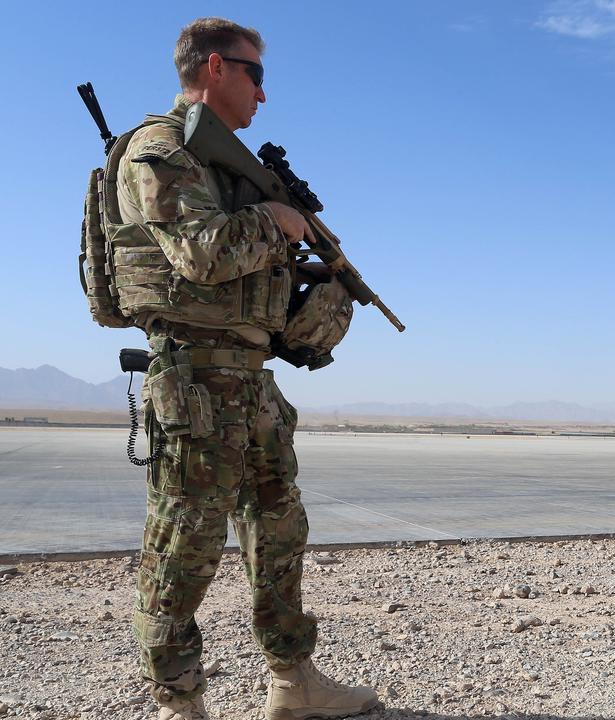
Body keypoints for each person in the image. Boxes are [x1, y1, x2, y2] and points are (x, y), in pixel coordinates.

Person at [113, 18, 378, 720]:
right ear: (214, 69)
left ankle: (294, 682)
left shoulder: (226, 165)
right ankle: (179, 701)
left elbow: (239, 266)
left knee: (278, 527)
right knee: (184, 543)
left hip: (250, 375)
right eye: (254, 74)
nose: (263, 93)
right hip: (195, 379)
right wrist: (277, 223)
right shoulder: (162, 147)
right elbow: (200, 255)